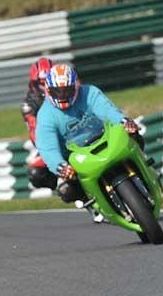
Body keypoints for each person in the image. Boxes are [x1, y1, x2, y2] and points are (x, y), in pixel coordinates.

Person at [34, 63, 144, 221]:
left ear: (75, 86)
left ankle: (143, 168)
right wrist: (60, 166)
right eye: (58, 91)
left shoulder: (89, 93)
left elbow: (107, 110)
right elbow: (47, 147)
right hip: (77, 157)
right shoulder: (45, 115)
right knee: (66, 191)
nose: (63, 95)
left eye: (67, 90)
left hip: (104, 139)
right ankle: (91, 201)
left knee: (136, 137)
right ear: (49, 90)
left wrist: (123, 122)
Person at [20, 57, 57, 190]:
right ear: (35, 84)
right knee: (35, 173)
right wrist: (48, 148)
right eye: (42, 83)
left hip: (77, 133)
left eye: (49, 81)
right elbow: (34, 131)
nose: (46, 86)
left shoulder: (68, 89)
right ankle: (67, 189)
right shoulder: (29, 104)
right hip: (51, 142)